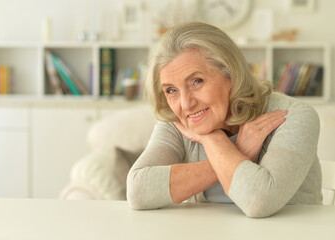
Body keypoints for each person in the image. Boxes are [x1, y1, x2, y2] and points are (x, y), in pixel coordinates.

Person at [126, 22, 322, 218]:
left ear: (231, 74)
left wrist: (213, 142)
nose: (185, 104)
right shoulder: (178, 121)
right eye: (171, 90)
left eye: (197, 81)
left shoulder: (293, 116)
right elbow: (137, 191)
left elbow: (259, 200)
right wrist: (226, 147)